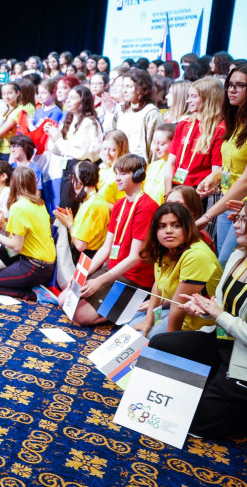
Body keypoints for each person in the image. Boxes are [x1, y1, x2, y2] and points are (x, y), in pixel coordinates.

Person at [149, 202, 247, 439]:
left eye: (244, 220)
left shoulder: (200, 254)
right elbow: (221, 306)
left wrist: (218, 314)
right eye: (238, 218)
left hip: (242, 360)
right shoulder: (238, 256)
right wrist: (203, 309)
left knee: (191, 424)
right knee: (161, 343)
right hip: (222, 341)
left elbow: (223, 315)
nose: (236, 225)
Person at [72, 154, 159, 325]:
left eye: (123, 174)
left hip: (134, 277)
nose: (117, 178)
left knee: (81, 316)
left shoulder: (146, 207)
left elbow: (134, 258)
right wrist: (82, 274)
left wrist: (99, 281)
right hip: (113, 268)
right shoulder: (119, 204)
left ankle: (133, 305)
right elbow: (106, 248)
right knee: (65, 299)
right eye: (117, 173)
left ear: (138, 176)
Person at [132, 202, 221, 338]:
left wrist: (167, 342)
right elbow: (158, 285)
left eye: (176, 225)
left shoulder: (197, 255)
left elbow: (180, 304)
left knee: (153, 338)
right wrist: (148, 321)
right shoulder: (165, 248)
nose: (168, 231)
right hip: (177, 310)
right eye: (162, 226)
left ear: (187, 227)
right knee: (133, 323)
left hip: (204, 325)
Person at [0, 167, 55, 298]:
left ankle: (34, 294)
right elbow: (20, 234)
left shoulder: (18, 207)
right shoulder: (40, 204)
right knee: (0, 250)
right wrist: (2, 221)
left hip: (34, 266)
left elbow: (16, 245)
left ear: (13, 183)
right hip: (43, 264)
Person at [197, 63, 247, 262]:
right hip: (227, 202)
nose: (232, 90)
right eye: (230, 85)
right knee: (221, 262)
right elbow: (232, 163)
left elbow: (244, 181)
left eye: (240, 85)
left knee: (227, 261)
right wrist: (214, 177)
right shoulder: (236, 121)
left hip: (243, 206)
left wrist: (207, 216)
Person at [55, 160, 110, 263]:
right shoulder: (98, 200)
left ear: (79, 183)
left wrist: (70, 224)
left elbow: (80, 245)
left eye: (73, 178)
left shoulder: (90, 206)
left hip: (86, 258)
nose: (71, 182)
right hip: (94, 255)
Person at [117, 68, 163, 162]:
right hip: (120, 161)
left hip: (139, 163)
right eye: (123, 86)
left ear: (143, 88)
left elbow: (154, 146)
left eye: (129, 86)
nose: (124, 90)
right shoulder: (121, 110)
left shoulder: (151, 112)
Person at [144, 123, 175, 205]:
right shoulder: (151, 167)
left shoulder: (179, 170)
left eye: (161, 144)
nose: (156, 148)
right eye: (154, 143)